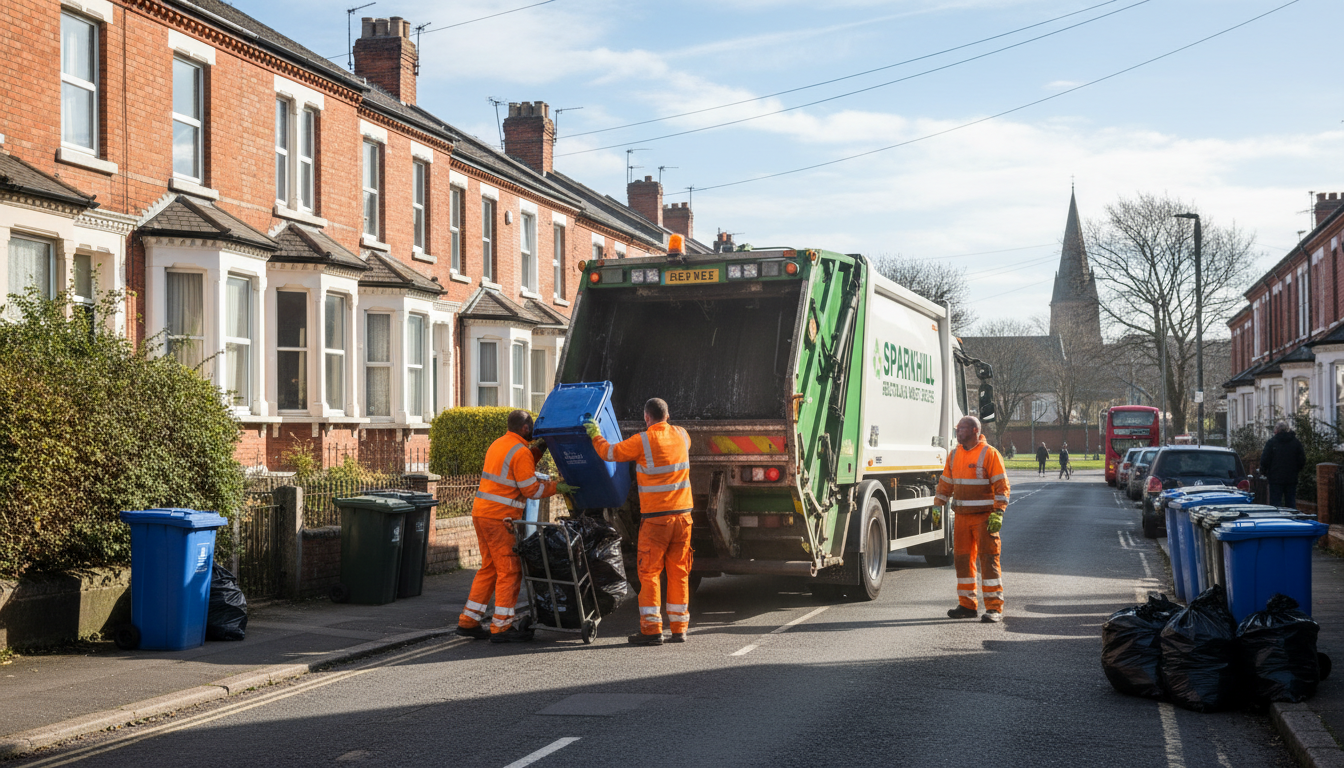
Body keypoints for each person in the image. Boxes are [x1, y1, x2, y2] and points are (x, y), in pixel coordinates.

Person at [457, 410, 576, 643]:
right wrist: (556, 487)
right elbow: (530, 489)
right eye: (531, 426)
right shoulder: (520, 452)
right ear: (524, 428)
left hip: (482, 514)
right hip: (501, 519)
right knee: (509, 570)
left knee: (489, 568)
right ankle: (501, 627)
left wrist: (540, 449)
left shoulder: (499, 444)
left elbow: (517, 464)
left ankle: (468, 621)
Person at [585, 398, 693, 646]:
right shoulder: (682, 435)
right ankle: (679, 629)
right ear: (668, 415)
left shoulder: (642, 441)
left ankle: (652, 629)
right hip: (684, 518)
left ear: (646, 417)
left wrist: (595, 434)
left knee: (650, 573)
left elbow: (609, 453)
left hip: (656, 520)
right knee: (679, 572)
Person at [934, 416, 1011, 623]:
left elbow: (1001, 486)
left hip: (985, 518)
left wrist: (998, 511)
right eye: (957, 429)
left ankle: (994, 608)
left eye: (963, 429)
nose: (958, 432)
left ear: (975, 431)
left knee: (988, 560)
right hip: (961, 518)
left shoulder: (990, 454)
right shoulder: (954, 455)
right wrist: (937, 505)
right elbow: (946, 483)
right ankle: (967, 605)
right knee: (962, 561)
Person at [1260, 421, 1306, 508]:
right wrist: (1295, 471)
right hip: (1291, 478)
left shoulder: (1272, 443)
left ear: (1276, 430)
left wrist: (1265, 471)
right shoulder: (1296, 443)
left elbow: (1264, 460)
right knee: (1291, 502)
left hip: (1275, 479)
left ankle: (1278, 520)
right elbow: (1302, 460)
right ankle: (1291, 520)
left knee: (1276, 504)